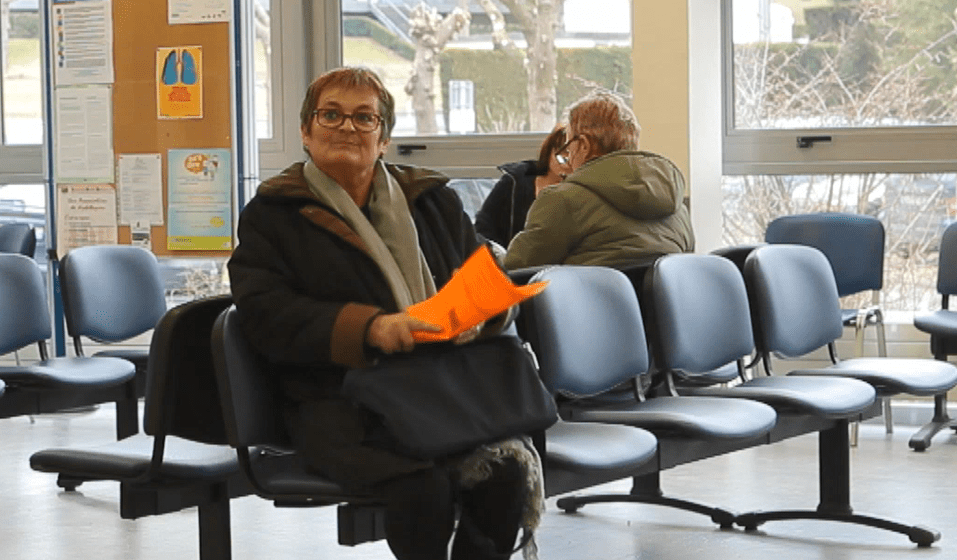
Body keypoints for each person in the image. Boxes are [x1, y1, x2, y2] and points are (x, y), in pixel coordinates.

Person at [228, 67, 540, 560]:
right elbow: (267, 314)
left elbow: (477, 275)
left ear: (384, 137)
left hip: (439, 387)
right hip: (338, 400)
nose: (347, 128)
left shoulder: (432, 201)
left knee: (505, 474)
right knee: (424, 487)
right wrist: (371, 328)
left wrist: (482, 315)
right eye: (330, 115)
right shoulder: (272, 214)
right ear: (306, 132)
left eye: (363, 117)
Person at [503, 90, 694, 270]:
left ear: (584, 145)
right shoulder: (676, 207)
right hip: (658, 305)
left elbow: (517, 267)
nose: (568, 160)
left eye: (568, 149)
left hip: (584, 304)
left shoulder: (563, 201)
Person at [474, 126, 571, 248]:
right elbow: (484, 225)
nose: (566, 162)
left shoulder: (580, 190)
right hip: (507, 261)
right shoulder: (514, 182)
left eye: (571, 155)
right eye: (561, 153)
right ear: (548, 151)